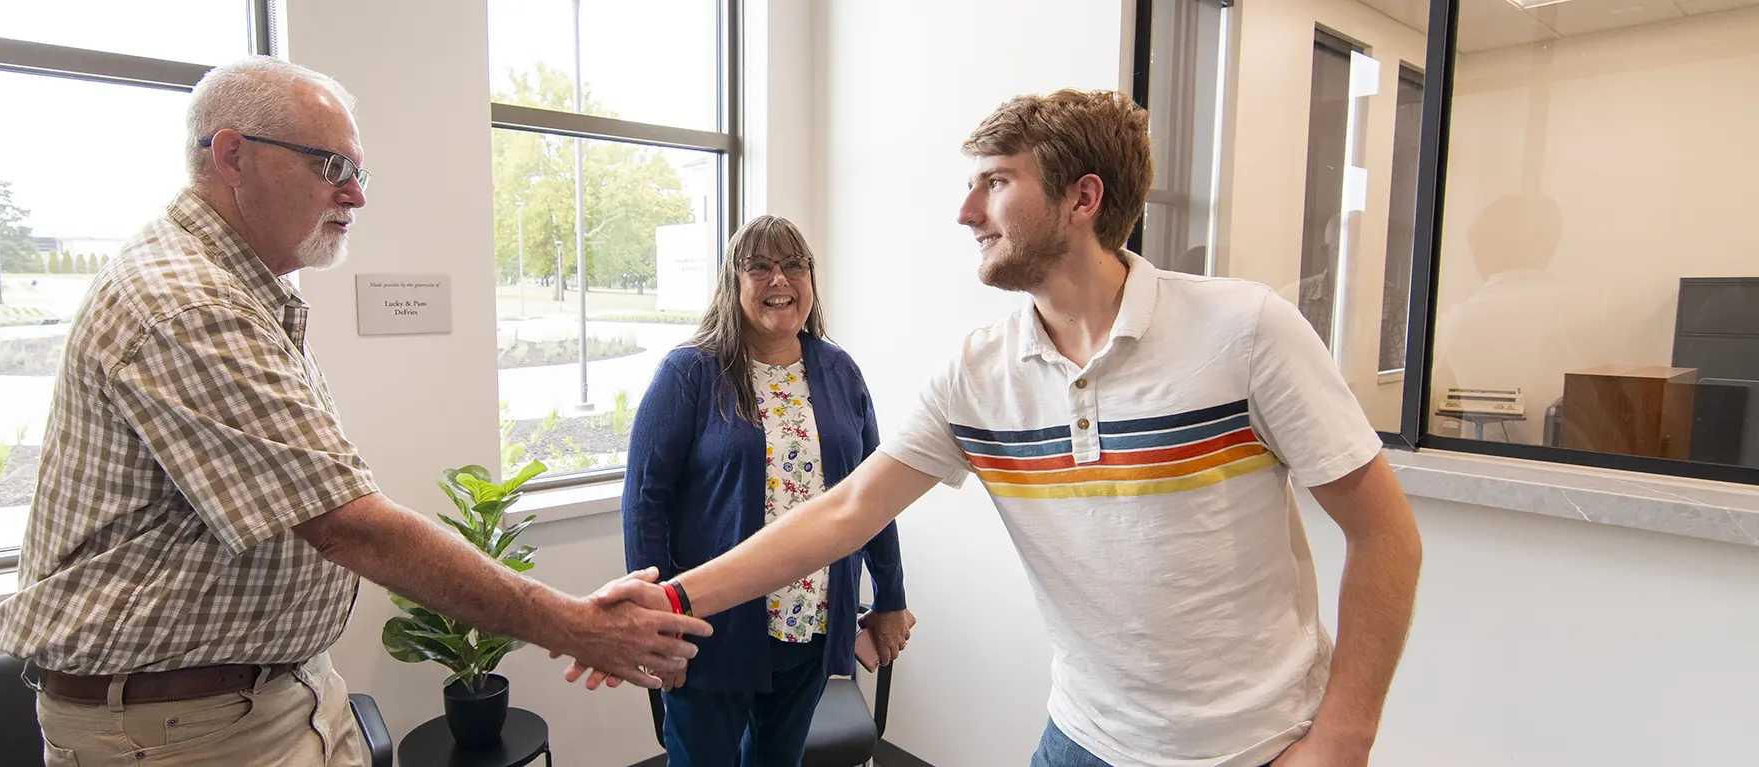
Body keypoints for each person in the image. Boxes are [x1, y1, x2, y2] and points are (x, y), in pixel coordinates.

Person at [570, 90, 1423, 767]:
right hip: (1082, 738)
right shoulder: (977, 375)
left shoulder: (1246, 331)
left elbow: (1386, 534)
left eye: (995, 181)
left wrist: (1342, 740)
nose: (965, 208)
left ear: (1081, 198)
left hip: (1256, 746)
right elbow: (841, 514)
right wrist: (668, 600)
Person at [0, 56, 708, 767]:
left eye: (359, 171)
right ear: (232, 155)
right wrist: (576, 625)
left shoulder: (240, 294)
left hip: (281, 692)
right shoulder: (187, 302)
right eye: (331, 167)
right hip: (186, 732)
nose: (356, 196)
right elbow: (348, 524)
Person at [621, 215, 914, 767]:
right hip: (715, 628)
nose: (780, 279)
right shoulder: (690, 373)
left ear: (811, 279)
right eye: (760, 267)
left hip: (811, 621)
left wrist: (891, 597)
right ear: (733, 282)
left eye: (794, 265)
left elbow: (875, 494)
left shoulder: (839, 371)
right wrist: (658, 625)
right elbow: (645, 504)